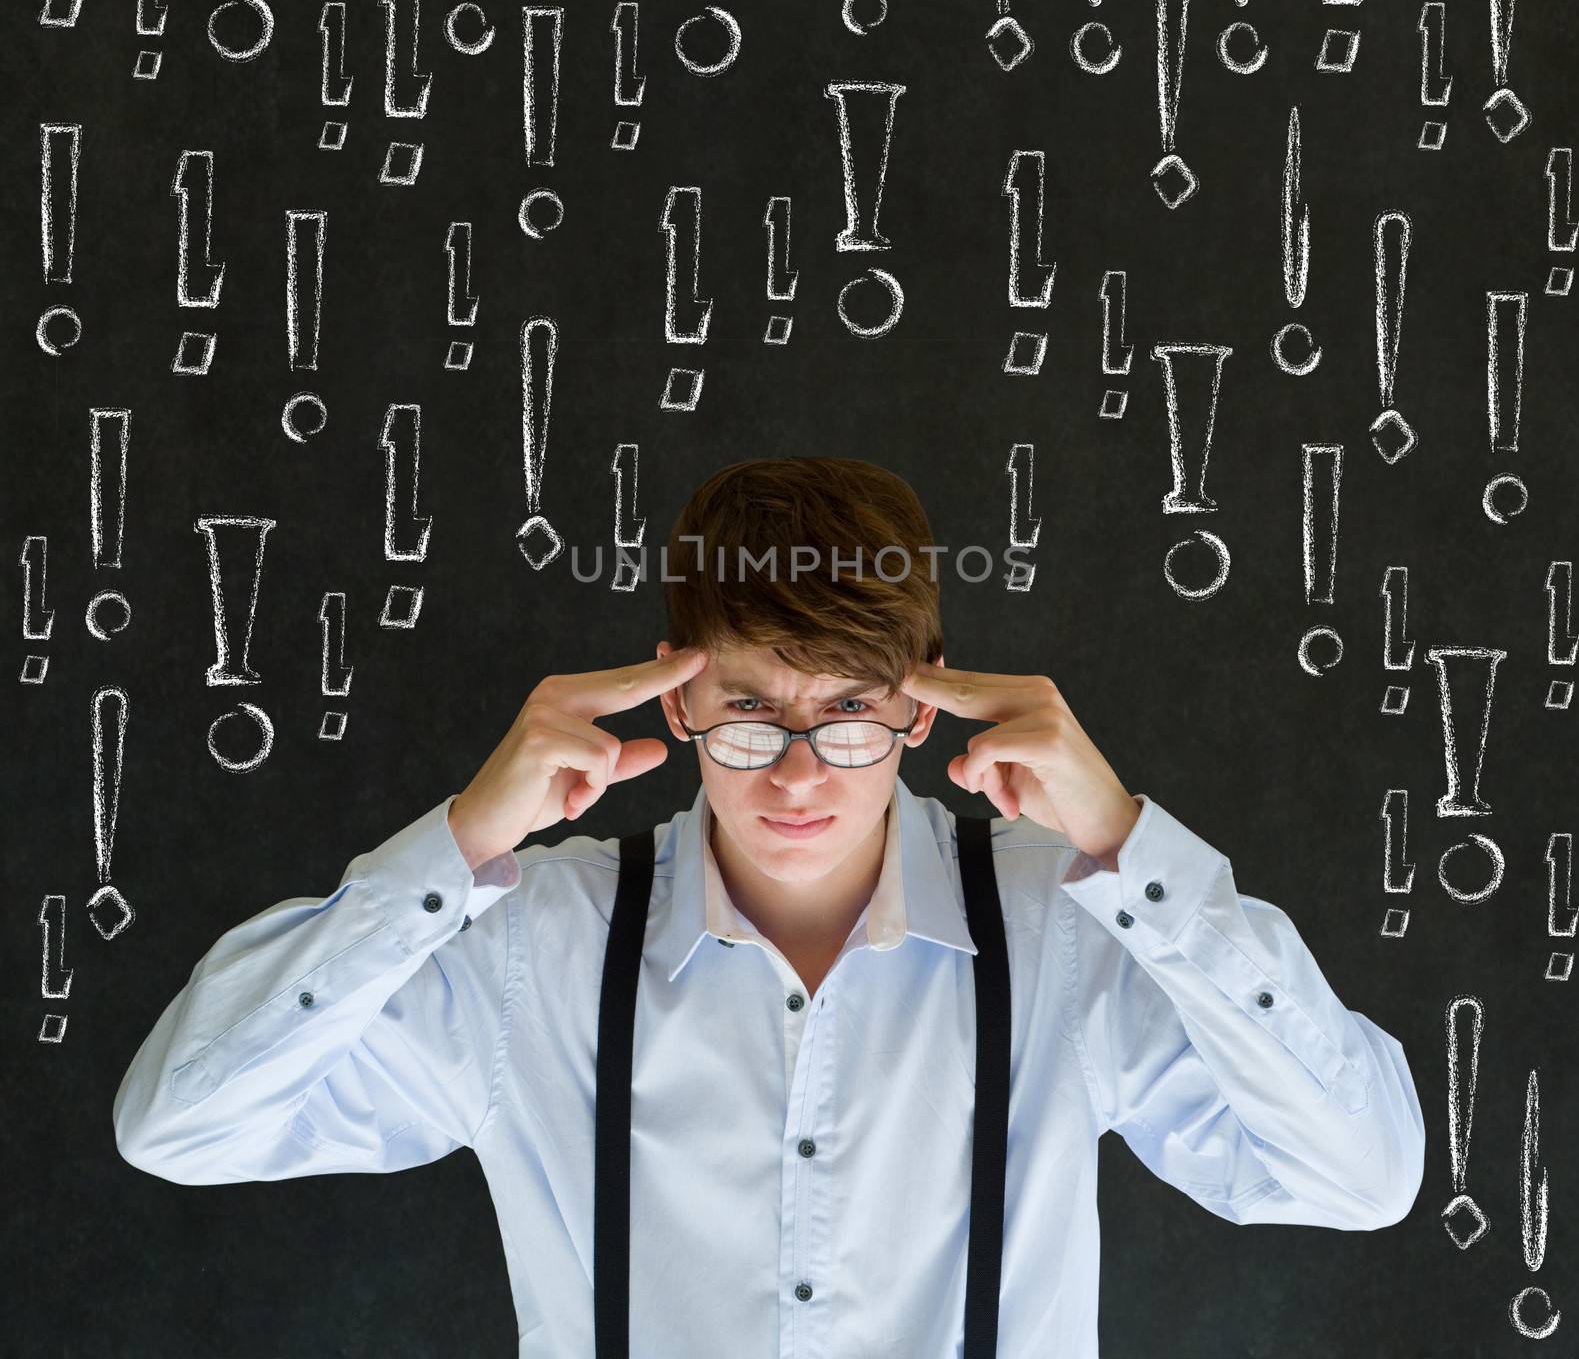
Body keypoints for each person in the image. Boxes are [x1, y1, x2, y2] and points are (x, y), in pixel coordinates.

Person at [113, 456, 1425, 1358]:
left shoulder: (1070, 923)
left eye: (849, 712)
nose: (799, 770)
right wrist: (460, 844)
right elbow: (183, 1125)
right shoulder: (533, 945)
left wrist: (1130, 842)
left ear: (923, 702)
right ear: (677, 701)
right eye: (750, 710)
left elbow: (1358, 1176)